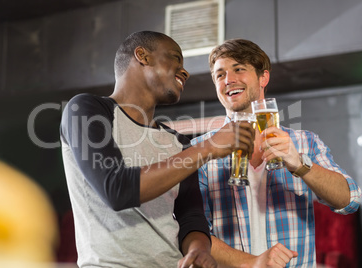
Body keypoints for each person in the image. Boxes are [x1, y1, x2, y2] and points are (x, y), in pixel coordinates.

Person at [60, 31, 256, 268]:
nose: (185, 71)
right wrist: (209, 148)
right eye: (175, 58)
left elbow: (190, 217)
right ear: (142, 56)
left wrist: (199, 250)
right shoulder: (86, 109)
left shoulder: (179, 143)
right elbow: (116, 188)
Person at [191, 38, 362, 267]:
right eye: (219, 75)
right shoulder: (200, 150)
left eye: (238, 69)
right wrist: (254, 262)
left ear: (264, 77)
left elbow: (350, 201)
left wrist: (300, 165)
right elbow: (194, 232)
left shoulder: (305, 141)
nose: (229, 80)